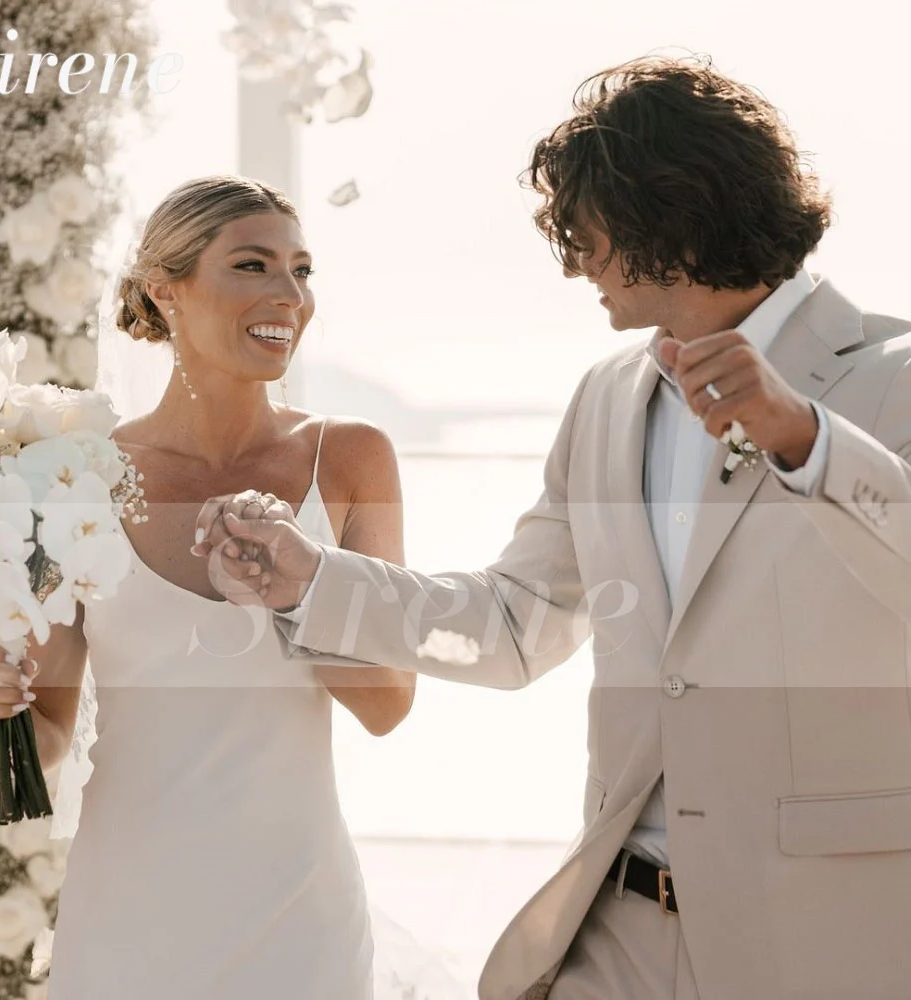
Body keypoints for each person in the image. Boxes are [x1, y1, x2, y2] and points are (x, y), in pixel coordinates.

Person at [199, 58, 911, 1000]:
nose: (572, 260)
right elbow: (515, 623)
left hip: (827, 936)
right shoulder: (609, 399)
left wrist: (808, 441)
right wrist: (314, 579)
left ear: (667, 209)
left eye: (583, 228)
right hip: (614, 928)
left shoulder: (891, 373)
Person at [0, 175, 416, 999]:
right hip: (128, 912)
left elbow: (387, 702)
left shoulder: (349, 459)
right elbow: (51, 732)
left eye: (301, 270)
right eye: (253, 265)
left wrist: (292, 588)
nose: (289, 295)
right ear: (167, 292)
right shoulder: (78, 472)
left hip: (299, 913)